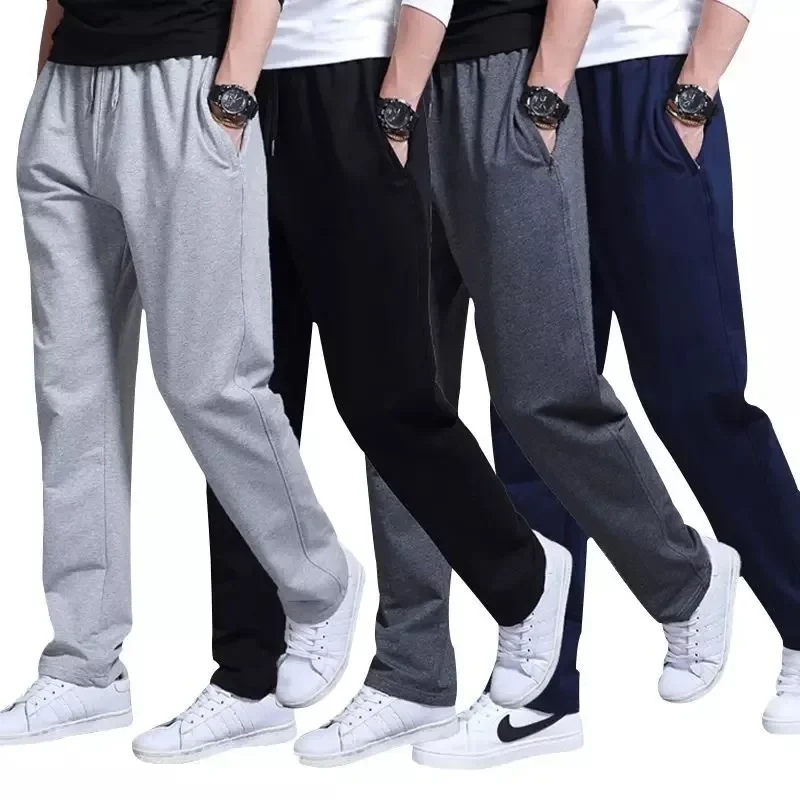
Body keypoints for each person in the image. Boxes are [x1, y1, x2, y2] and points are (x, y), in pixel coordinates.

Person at [191, 0, 740, 769]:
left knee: (543, 389)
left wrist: (545, 88)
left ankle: (684, 578)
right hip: (396, 78)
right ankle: (412, 670)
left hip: (498, 78)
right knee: (403, 398)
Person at [0, 0, 370, 749]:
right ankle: (84, 664)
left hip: (183, 87)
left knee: (211, 381)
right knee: (72, 394)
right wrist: (47, 76)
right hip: (68, 95)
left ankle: (320, 579)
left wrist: (232, 96)